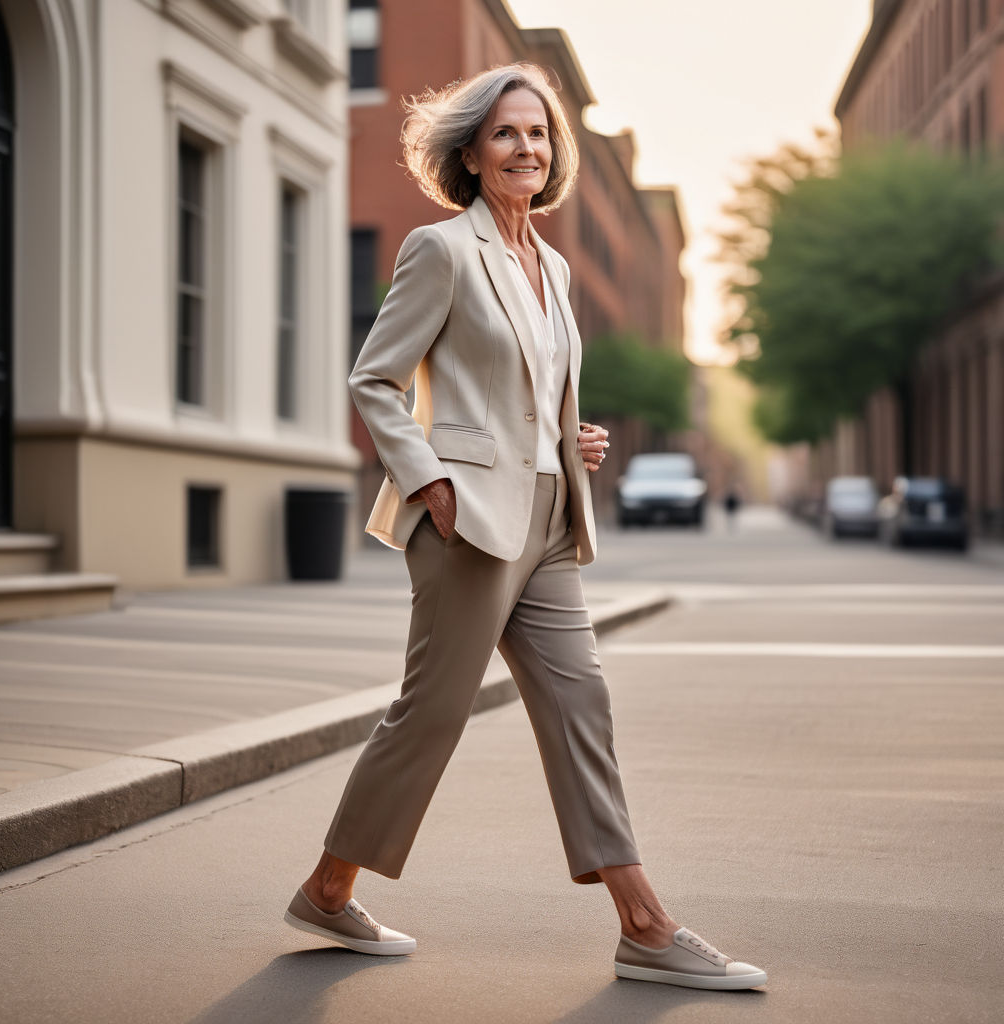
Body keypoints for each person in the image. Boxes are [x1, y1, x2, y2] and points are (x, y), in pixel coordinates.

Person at [284, 63, 767, 991]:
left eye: (539, 135)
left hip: (548, 519)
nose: (526, 149)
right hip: (467, 521)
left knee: (581, 706)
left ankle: (645, 924)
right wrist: (430, 483)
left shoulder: (553, 264)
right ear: (470, 152)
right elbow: (375, 381)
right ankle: (329, 888)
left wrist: (566, 433)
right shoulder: (441, 250)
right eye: (506, 134)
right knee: (431, 715)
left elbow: (528, 386)